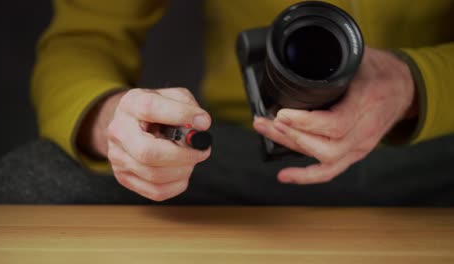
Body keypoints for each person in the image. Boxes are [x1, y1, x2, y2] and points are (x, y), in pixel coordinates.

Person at [30, 0, 454, 202]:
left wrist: (413, 84)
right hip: (233, 151)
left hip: (436, 149)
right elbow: (84, 38)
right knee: (29, 184)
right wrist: (113, 122)